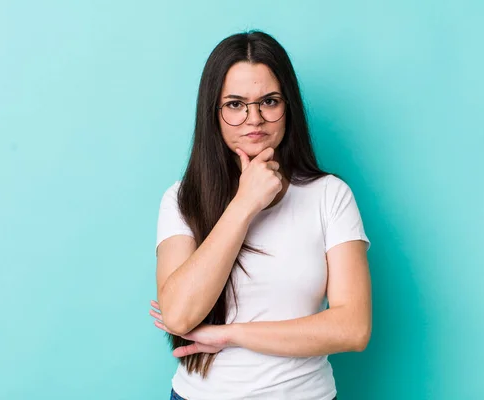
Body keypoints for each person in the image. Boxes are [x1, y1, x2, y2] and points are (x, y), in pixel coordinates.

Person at [149, 30, 372, 400]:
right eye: (235, 104)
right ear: (214, 113)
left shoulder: (330, 195)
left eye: (268, 101)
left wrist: (231, 335)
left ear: (289, 107)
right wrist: (244, 203)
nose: (254, 119)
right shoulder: (181, 199)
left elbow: (353, 327)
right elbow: (178, 315)